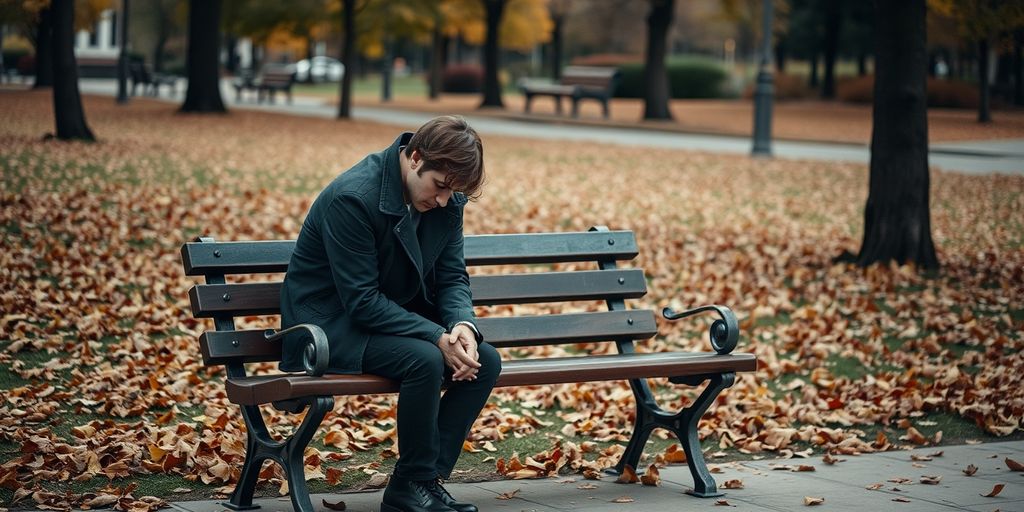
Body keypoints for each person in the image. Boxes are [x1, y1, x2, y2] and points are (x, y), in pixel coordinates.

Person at [279, 115, 499, 512]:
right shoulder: (353, 197)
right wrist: (435, 336)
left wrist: (461, 325)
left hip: (388, 317)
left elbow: (451, 276)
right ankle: (414, 483)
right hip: (325, 328)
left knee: (487, 359)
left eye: (454, 191)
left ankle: (419, 482)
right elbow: (361, 300)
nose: (445, 200)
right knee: (425, 359)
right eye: (441, 187)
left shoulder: (447, 200)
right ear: (415, 157)